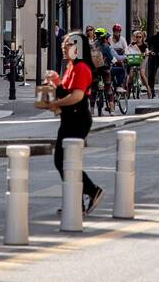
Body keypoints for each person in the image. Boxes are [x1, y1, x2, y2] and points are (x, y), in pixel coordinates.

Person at [45, 31, 104, 215]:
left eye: (69, 44)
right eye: (65, 43)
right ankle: (75, 202)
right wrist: (54, 81)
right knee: (64, 160)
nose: (64, 47)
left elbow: (77, 96)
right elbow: (65, 90)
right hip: (69, 118)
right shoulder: (71, 66)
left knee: (64, 160)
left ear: (78, 48)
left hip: (78, 119)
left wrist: (56, 103)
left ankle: (90, 191)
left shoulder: (82, 68)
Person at [110, 23, 128, 90]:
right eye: (115, 31)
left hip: (120, 58)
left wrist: (125, 56)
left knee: (122, 68)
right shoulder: (110, 39)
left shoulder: (122, 39)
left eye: (118, 31)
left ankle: (119, 84)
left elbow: (126, 49)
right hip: (112, 58)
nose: (116, 33)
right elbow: (110, 50)